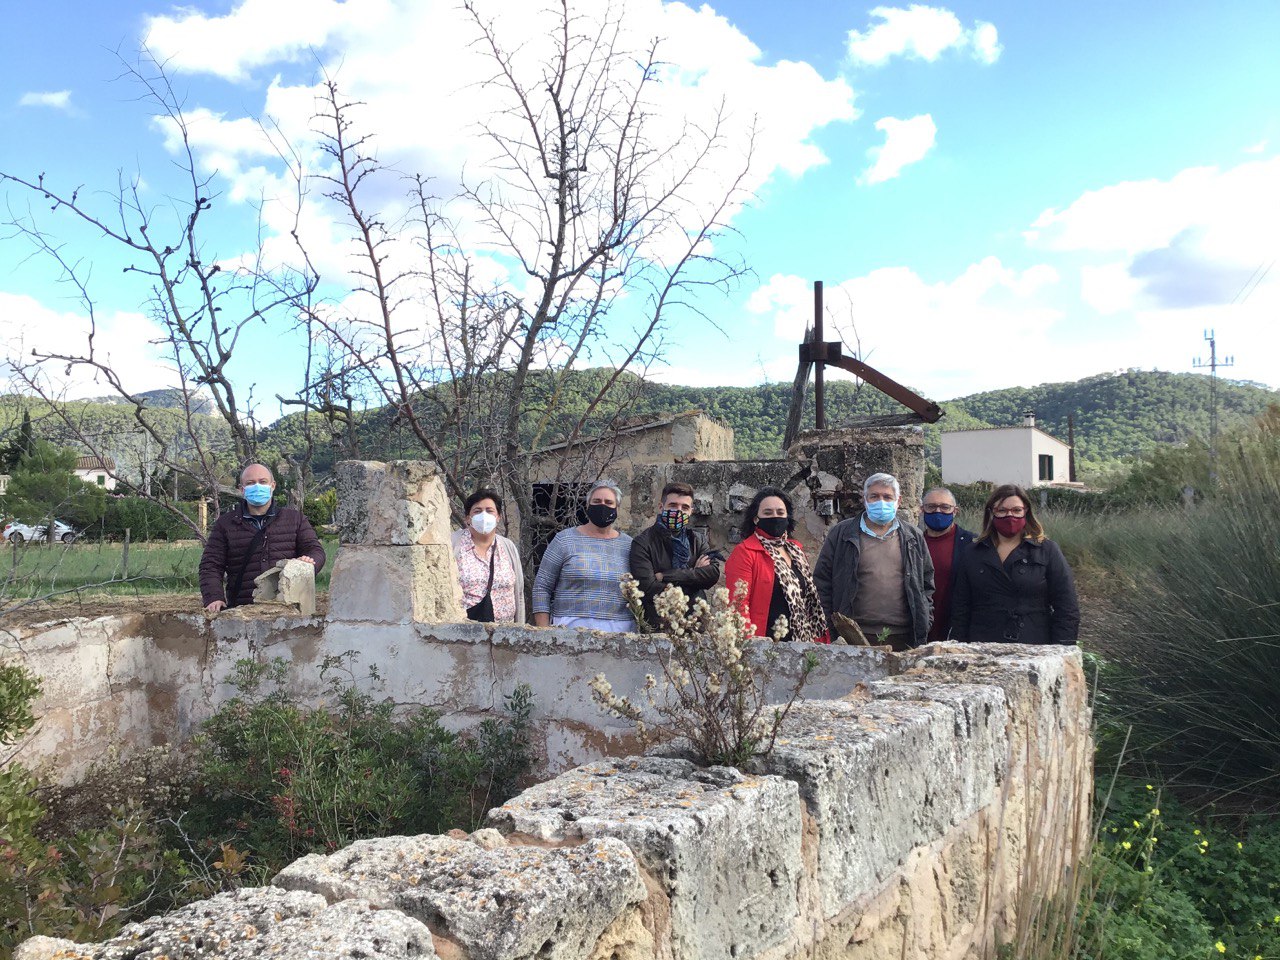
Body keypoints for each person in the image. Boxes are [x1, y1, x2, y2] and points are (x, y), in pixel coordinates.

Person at [813, 472, 934, 651]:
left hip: (903, 636)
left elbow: (926, 583)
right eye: (874, 496)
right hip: (853, 635)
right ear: (864, 499)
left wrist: (926, 619)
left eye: (887, 497)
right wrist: (833, 625)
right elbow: (822, 582)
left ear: (898, 501)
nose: (881, 502)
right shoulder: (841, 534)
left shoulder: (913, 536)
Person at [950, 483, 1080, 645]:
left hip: (1034, 645)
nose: (1009, 516)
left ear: (1026, 512)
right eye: (1002, 510)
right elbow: (960, 609)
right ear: (991, 513)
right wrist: (959, 648)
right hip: (982, 646)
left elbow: (1066, 607)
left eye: (1016, 510)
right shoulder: (972, 553)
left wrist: (1063, 651)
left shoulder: (1047, 550)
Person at [199, 463, 326, 612]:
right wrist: (214, 597)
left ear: (273, 485)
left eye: (263, 482)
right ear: (242, 489)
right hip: (242, 608)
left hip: (288, 608)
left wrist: (309, 563)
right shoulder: (225, 524)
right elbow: (211, 565)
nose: (257, 486)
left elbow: (316, 551)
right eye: (250, 483)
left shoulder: (295, 519)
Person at [723, 486, 828, 643]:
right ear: (755, 518)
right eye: (767, 513)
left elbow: (808, 601)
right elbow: (738, 604)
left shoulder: (796, 550)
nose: (775, 517)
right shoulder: (745, 552)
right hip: (765, 643)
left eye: (780, 513)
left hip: (802, 642)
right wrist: (749, 645)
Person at [532, 479, 636, 631]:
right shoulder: (564, 540)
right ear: (587, 505)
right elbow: (542, 587)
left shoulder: (629, 545)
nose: (602, 506)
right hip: (568, 632)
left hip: (619, 634)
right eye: (597, 501)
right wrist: (543, 631)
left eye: (608, 502)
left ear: (617, 508)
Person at [628, 481, 721, 629]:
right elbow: (648, 587)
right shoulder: (643, 542)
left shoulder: (697, 539)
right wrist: (695, 576)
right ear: (661, 507)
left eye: (684, 507)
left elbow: (712, 575)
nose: (678, 511)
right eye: (673, 505)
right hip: (659, 627)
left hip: (695, 624)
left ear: (691, 511)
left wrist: (666, 576)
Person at [451, 488, 526, 624]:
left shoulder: (507, 547)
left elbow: (518, 593)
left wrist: (520, 628)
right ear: (468, 518)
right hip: (464, 634)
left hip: (505, 634)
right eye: (477, 511)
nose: (484, 515)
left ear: (498, 517)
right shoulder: (453, 545)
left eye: (489, 510)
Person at [920, 487, 977, 643]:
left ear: (955, 511)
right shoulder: (912, 543)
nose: (938, 512)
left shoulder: (973, 545)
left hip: (957, 630)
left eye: (945, 507)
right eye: (931, 507)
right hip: (920, 628)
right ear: (921, 509)